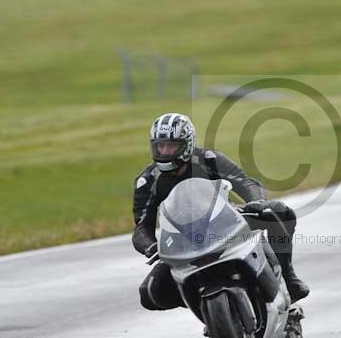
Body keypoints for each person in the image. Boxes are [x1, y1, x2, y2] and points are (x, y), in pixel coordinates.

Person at [132, 112, 309, 310]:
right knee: (149, 293)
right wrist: (152, 247)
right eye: (160, 146)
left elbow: (245, 182)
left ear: (187, 144)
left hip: (225, 221)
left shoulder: (208, 159)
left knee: (278, 212)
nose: (165, 151)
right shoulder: (147, 181)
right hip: (183, 241)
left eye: (171, 145)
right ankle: (202, 303)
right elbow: (141, 228)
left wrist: (256, 202)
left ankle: (287, 276)